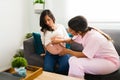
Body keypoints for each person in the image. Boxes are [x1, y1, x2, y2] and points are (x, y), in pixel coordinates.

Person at [51, 15, 120, 79]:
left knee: (76, 63)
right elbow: (71, 40)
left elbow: (84, 55)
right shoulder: (85, 32)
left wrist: (67, 51)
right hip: (99, 58)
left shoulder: (94, 37)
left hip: (111, 63)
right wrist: (59, 41)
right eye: (69, 27)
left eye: (71, 30)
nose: (69, 30)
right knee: (72, 60)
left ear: (79, 32)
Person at [39, 9, 70, 75]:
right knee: (47, 69)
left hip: (62, 52)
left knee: (64, 67)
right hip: (50, 54)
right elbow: (44, 43)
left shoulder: (60, 27)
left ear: (52, 17)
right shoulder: (43, 30)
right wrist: (46, 53)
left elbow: (68, 39)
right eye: (45, 21)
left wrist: (59, 40)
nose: (47, 23)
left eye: (48, 20)